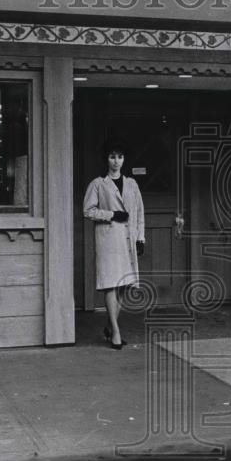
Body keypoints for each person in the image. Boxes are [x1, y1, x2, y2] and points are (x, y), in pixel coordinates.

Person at [83, 143, 145, 350]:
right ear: (106, 159)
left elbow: (139, 212)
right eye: (112, 156)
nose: (116, 161)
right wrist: (111, 214)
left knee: (124, 284)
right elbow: (88, 211)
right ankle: (116, 332)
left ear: (124, 159)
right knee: (111, 283)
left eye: (120, 156)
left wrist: (140, 238)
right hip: (109, 239)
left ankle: (110, 325)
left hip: (128, 239)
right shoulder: (98, 184)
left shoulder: (132, 184)